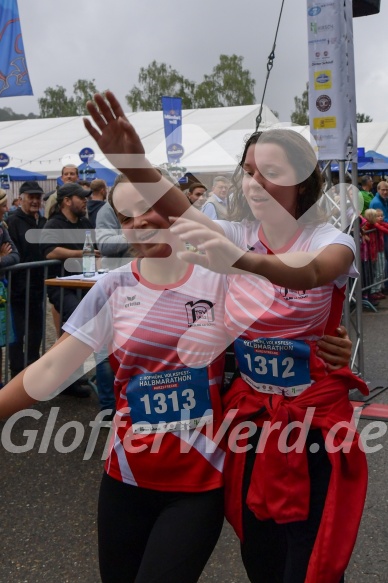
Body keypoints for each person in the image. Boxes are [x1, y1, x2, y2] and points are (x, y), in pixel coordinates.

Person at [83, 92, 368, 583]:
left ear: (302, 181)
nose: (256, 182)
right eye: (250, 171)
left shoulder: (329, 237)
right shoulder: (237, 232)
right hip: (252, 419)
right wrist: (131, 160)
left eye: (272, 173)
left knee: (310, 556)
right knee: (259, 551)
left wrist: (242, 263)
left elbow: (316, 272)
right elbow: (174, 206)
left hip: (314, 421)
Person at [40, 182, 96, 398]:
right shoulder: (53, 224)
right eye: (81, 197)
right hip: (61, 287)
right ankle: (53, 374)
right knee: (76, 326)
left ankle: (69, 379)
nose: (85, 201)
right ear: (66, 201)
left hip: (84, 284)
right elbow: (49, 252)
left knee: (74, 331)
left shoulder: (84, 222)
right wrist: (80, 254)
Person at [7, 181, 47, 376]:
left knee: (36, 331)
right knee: (18, 333)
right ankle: (16, 372)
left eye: (37, 197)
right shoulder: (13, 222)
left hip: (38, 287)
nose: (34, 201)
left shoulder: (44, 221)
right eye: (30, 197)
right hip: (17, 288)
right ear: (21, 198)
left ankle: (32, 370)